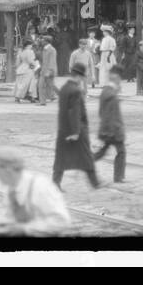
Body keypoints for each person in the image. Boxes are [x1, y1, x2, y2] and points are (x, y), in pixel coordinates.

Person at [0, 146, 72, 234]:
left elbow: (61, 221)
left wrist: (27, 228)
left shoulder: (39, 186)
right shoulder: (9, 188)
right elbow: (10, 218)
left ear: (8, 169)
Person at [53, 61, 100, 190]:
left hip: (63, 129)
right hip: (76, 130)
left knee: (61, 159)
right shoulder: (75, 91)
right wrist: (75, 132)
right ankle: (95, 183)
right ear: (79, 77)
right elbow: (74, 112)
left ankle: (55, 182)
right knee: (86, 158)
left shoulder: (64, 88)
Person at [93, 66, 127, 183]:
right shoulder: (111, 94)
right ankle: (118, 177)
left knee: (102, 152)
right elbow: (111, 115)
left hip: (107, 128)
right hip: (112, 130)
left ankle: (85, 162)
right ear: (116, 77)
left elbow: (102, 113)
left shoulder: (107, 91)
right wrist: (114, 130)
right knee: (121, 152)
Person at [14, 39, 39, 104]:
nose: (31, 46)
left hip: (21, 67)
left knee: (21, 84)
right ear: (28, 45)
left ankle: (18, 97)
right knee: (29, 84)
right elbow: (31, 61)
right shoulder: (30, 52)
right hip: (28, 69)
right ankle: (31, 97)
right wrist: (35, 65)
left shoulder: (22, 51)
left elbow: (18, 61)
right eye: (31, 45)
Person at [38, 36, 58, 105]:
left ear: (47, 41)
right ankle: (42, 102)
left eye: (43, 40)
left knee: (51, 86)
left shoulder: (52, 50)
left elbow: (52, 61)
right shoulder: (44, 49)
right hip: (44, 70)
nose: (42, 41)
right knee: (42, 85)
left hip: (49, 71)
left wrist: (49, 71)